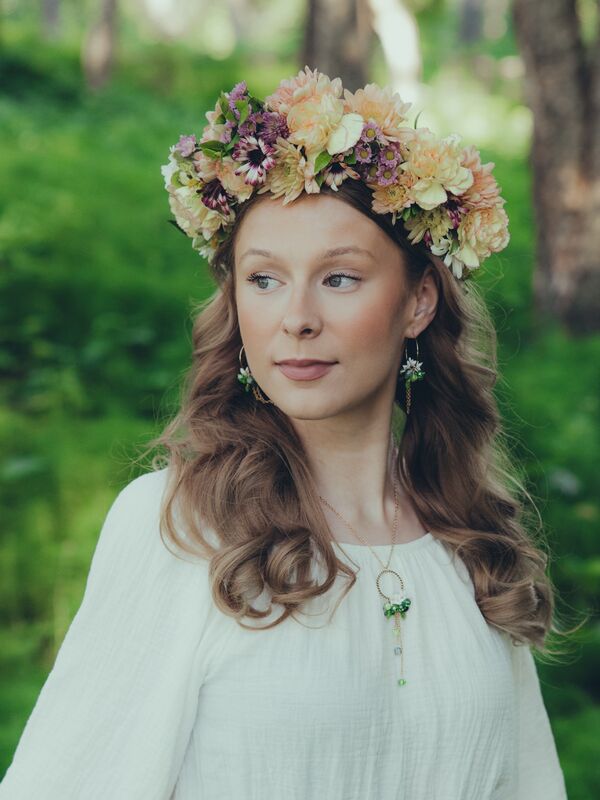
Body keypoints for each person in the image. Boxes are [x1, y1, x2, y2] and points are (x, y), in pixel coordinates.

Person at [0, 66, 570, 799]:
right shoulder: (179, 527)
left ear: (418, 301)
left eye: (339, 278)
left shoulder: (472, 541)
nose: (296, 318)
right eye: (264, 279)